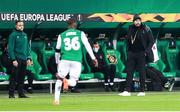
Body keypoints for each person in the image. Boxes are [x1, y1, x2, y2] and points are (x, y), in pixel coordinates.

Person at [54, 19, 97, 105]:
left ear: (68, 25)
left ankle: (56, 100)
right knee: (73, 82)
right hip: (76, 61)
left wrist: (57, 61)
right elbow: (87, 46)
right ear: (75, 25)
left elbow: (57, 50)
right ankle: (66, 81)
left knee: (59, 79)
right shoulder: (80, 33)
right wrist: (93, 58)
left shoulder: (61, 35)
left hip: (64, 59)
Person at [119, 14, 154, 96]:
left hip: (142, 53)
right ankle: (127, 90)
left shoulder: (146, 28)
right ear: (133, 21)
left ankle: (142, 91)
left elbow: (151, 41)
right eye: (136, 20)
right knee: (129, 72)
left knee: (142, 72)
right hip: (131, 53)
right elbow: (128, 40)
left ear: (141, 21)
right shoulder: (130, 28)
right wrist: (128, 51)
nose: (137, 22)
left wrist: (146, 51)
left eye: (139, 20)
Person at [7, 21, 32, 98]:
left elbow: (27, 48)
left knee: (22, 77)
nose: (21, 26)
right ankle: (11, 94)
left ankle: (21, 93)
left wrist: (28, 58)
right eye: (19, 25)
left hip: (24, 59)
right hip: (16, 58)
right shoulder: (13, 35)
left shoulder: (25, 35)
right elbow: (10, 49)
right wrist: (13, 59)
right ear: (16, 26)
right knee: (14, 77)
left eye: (22, 25)